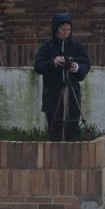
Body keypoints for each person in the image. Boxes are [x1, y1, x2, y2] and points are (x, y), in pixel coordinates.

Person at [33, 13, 91, 142]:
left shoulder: (76, 47)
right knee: (54, 127)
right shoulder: (47, 48)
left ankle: (73, 154)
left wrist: (76, 67)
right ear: (56, 29)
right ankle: (54, 156)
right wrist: (53, 62)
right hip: (53, 92)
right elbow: (38, 66)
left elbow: (86, 64)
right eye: (63, 29)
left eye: (68, 29)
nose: (66, 32)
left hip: (72, 92)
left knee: (73, 126)